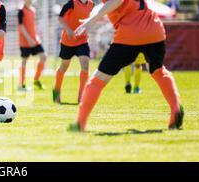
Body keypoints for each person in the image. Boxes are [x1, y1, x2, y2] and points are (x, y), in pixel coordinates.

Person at [69, 0, 184, 132]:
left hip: (130, 33)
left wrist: (93, 19)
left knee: (98, 78)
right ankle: (175, 108)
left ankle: (80, 124)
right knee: (158, 71)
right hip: (154, 31)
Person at [53, 0, 94, 104]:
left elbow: (91, 19)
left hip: (82, 40)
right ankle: (56, 91)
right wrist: (68, 30)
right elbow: (60, 17)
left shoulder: (91, 4)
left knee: (85, 65)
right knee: (63, 67)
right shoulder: (72, 3)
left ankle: (81, 97)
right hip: (68, 41)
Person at [17, 0, 47, 91]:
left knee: (43, 57)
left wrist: (35, 37)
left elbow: (32, 26)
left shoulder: (33, 10)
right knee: (24, 61)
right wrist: (29, 39)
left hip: (35, 40)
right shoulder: (21, 11)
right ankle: (21, 85)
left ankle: (36, 79)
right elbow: (21, 27)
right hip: (25, 41)